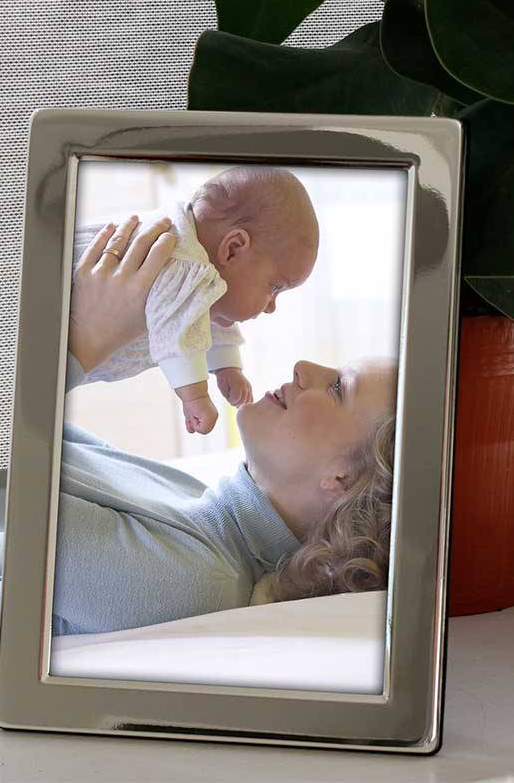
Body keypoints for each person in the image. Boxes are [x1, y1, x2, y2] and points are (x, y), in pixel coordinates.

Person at [52, 218, 396, 637]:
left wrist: (80, 343)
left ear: (343, 479)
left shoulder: (192, 582)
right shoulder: (194, 502)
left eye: (339, 388)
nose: (304, 367)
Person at [69, 167, 319, 436]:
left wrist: (226, 365)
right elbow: (179, 330)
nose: (271, 307)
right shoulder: (180, 260)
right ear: (233, 249)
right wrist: (195, 397)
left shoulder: (197, 270)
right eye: (275, 287)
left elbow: (206, 315)